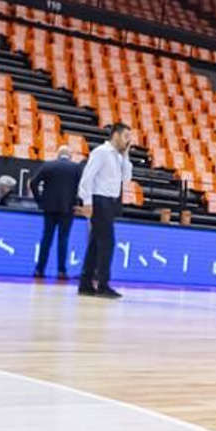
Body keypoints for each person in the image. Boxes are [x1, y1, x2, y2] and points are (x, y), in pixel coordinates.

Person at [77, 122, 133, 299]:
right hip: (99, 201)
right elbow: (87, 179)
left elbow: (127, 177)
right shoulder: (101, 152)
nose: (128, 140)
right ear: (116, 135)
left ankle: (85, 284)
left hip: (110, 203)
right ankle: (102, 285)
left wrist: (126, 156)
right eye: (126, 136)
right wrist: (87, 203)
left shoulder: (117, 156)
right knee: (107, 243)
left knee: (95, 244)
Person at [31, 146, 82, 281]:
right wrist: (78, 203)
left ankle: (39, 269)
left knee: (46, 239)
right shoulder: (76, 168)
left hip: (49, 207)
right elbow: (83, 187)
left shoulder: (48, 165)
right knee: (63, 239)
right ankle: (61, 271)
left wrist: (39, 201)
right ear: (69, 156)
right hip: (67, 208)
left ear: (58, 155)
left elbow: (33, 182)